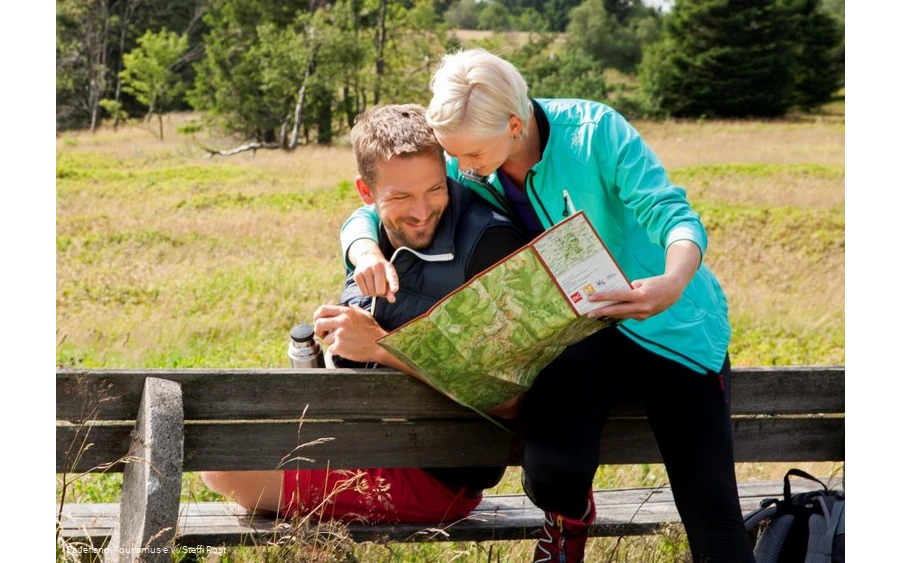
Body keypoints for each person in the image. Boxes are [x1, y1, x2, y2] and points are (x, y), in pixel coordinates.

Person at [338, 49, 756, 562]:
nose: (461, 171)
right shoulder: (466, 151)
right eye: (456, 158)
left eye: (470, 158)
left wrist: (670, 283)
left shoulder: (596, 131)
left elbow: (675, 216)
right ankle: (568, 524)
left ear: (514, 125)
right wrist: (365, 248)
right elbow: (369, 206)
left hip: (672, 328)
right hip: (581, 334)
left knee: (711, 509)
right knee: (551, 470)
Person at [201, 103, 528, 525]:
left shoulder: (489, 246)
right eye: (401, 196)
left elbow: (508, 398)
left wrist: (382, 346)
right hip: (367, 439)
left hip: (436, 475)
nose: (422, 210)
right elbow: (359, 225)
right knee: (233, 445)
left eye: (435, 189)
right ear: (366, 192)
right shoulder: (370, 234)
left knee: (223, 469)